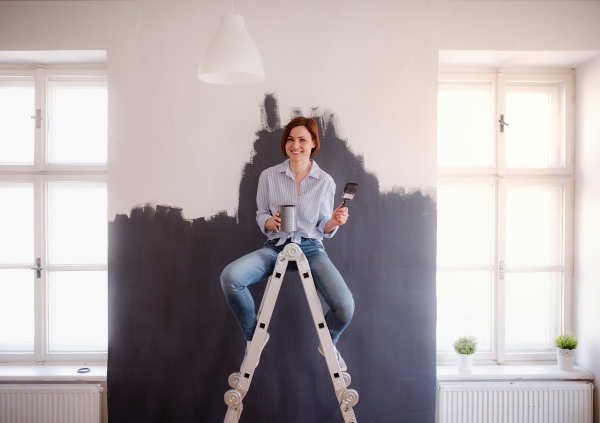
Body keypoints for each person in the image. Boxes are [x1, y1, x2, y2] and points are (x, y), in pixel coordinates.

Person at [220, 116, 354, 371]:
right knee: (230, 278)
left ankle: (328, 343)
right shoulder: (269, 176)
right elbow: (261, 214)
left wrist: (335, 221)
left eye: (302, 139)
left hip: (311, 248)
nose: (296, 145)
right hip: (277, 246)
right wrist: (272, 223)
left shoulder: (325, 181)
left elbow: (323, 226)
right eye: (291, 139)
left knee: (345, 306)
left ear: (313, 143)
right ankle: (253, 338)